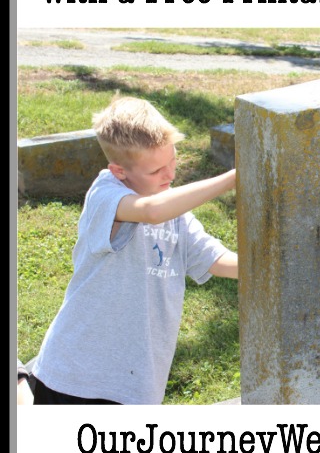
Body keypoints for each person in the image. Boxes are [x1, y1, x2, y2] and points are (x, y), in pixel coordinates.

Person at [31, 95, 237, 405]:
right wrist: (236, 177)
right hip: (76, 379)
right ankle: (23, 381)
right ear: (119, 171)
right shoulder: (106, 195)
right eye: (156, 171)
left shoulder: (175, 214)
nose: (169, 175)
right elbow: (152, 211)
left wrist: (279, 266)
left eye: (172, 160)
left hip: (136, 385)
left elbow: (217, 260)